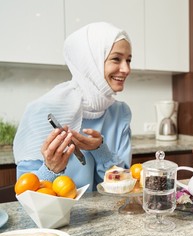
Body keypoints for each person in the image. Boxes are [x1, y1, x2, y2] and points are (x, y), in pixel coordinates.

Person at [13, 22, 133, 191]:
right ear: (90, 61)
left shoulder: (120, 113)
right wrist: (50, 169)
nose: (126, 69)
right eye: (116, 59)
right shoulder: (41, 110)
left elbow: (124, 184)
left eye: (128, 60)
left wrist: (100, 150)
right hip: (55, 217)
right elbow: (24, 194)